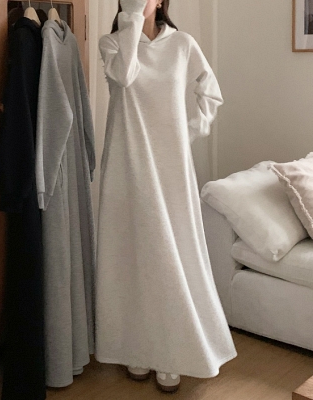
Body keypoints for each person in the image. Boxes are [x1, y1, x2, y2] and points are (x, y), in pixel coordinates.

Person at [95, 0, 237, 393]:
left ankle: (172, 352)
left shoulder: (182, 44)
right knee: (131, 252)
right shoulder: (112, 43)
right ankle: (136, 346)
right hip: (126, 162)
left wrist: (189, 129)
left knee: (171, 249)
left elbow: (210, 91)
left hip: (171, 165)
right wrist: (130, 20)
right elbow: (124, 76)